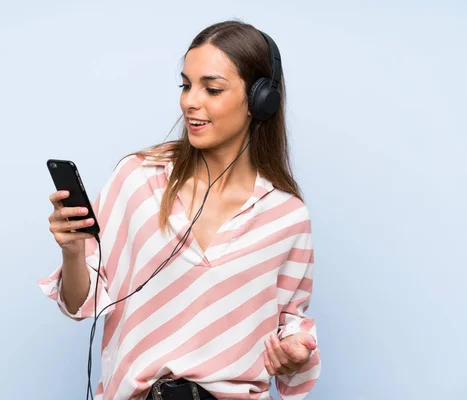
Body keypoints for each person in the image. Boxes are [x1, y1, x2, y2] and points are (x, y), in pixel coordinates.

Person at [39, 20, 321, 400]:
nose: (190, 100)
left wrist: (296, 354)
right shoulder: (139, 178)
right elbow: (79, 303)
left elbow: (292, 325)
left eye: (212, 88)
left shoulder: (286, 216)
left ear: (260, 100)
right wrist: (73, 252)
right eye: (186, 84)